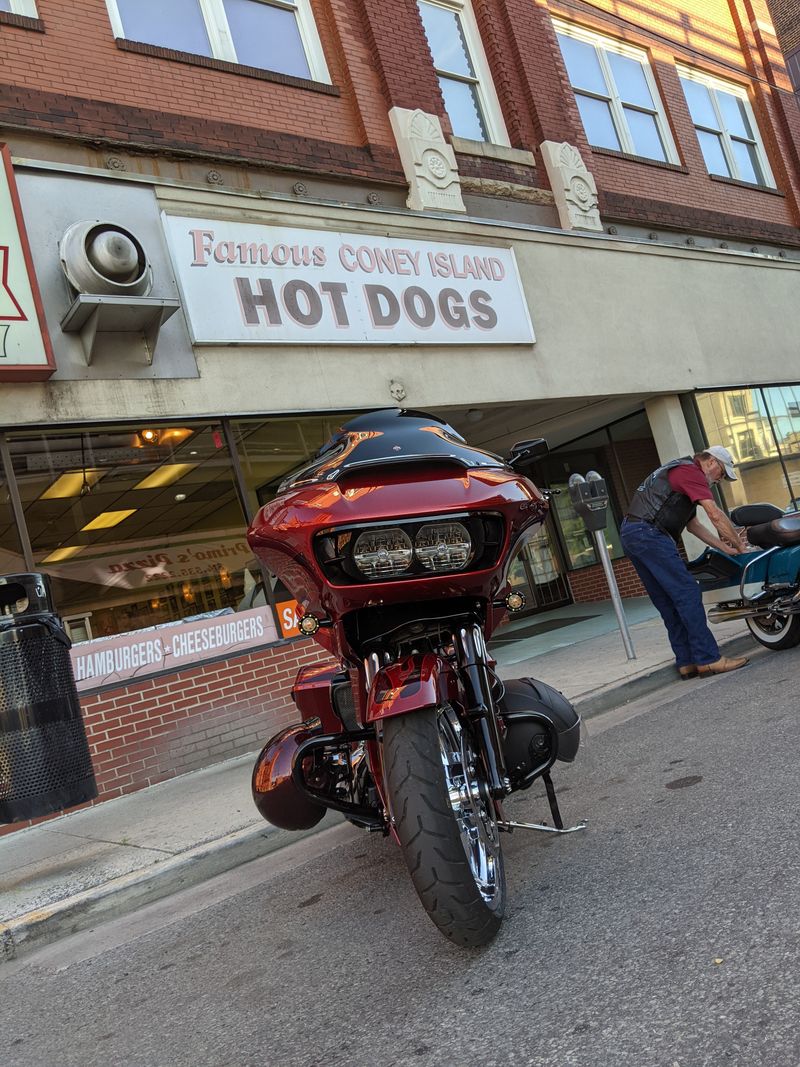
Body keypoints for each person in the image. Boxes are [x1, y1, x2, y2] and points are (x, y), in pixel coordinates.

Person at [620, 445, 748, 678]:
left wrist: (724, 548)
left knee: (667, 599)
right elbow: (715, 515)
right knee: (687, 592)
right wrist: (740, 546)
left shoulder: (681, 473)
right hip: (649, 533)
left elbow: (694, 526)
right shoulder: (692, 473)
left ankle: (686, 661)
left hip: (632, 532)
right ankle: (708, 659)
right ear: (710, 462)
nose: (719, 480)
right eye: (721, 473)